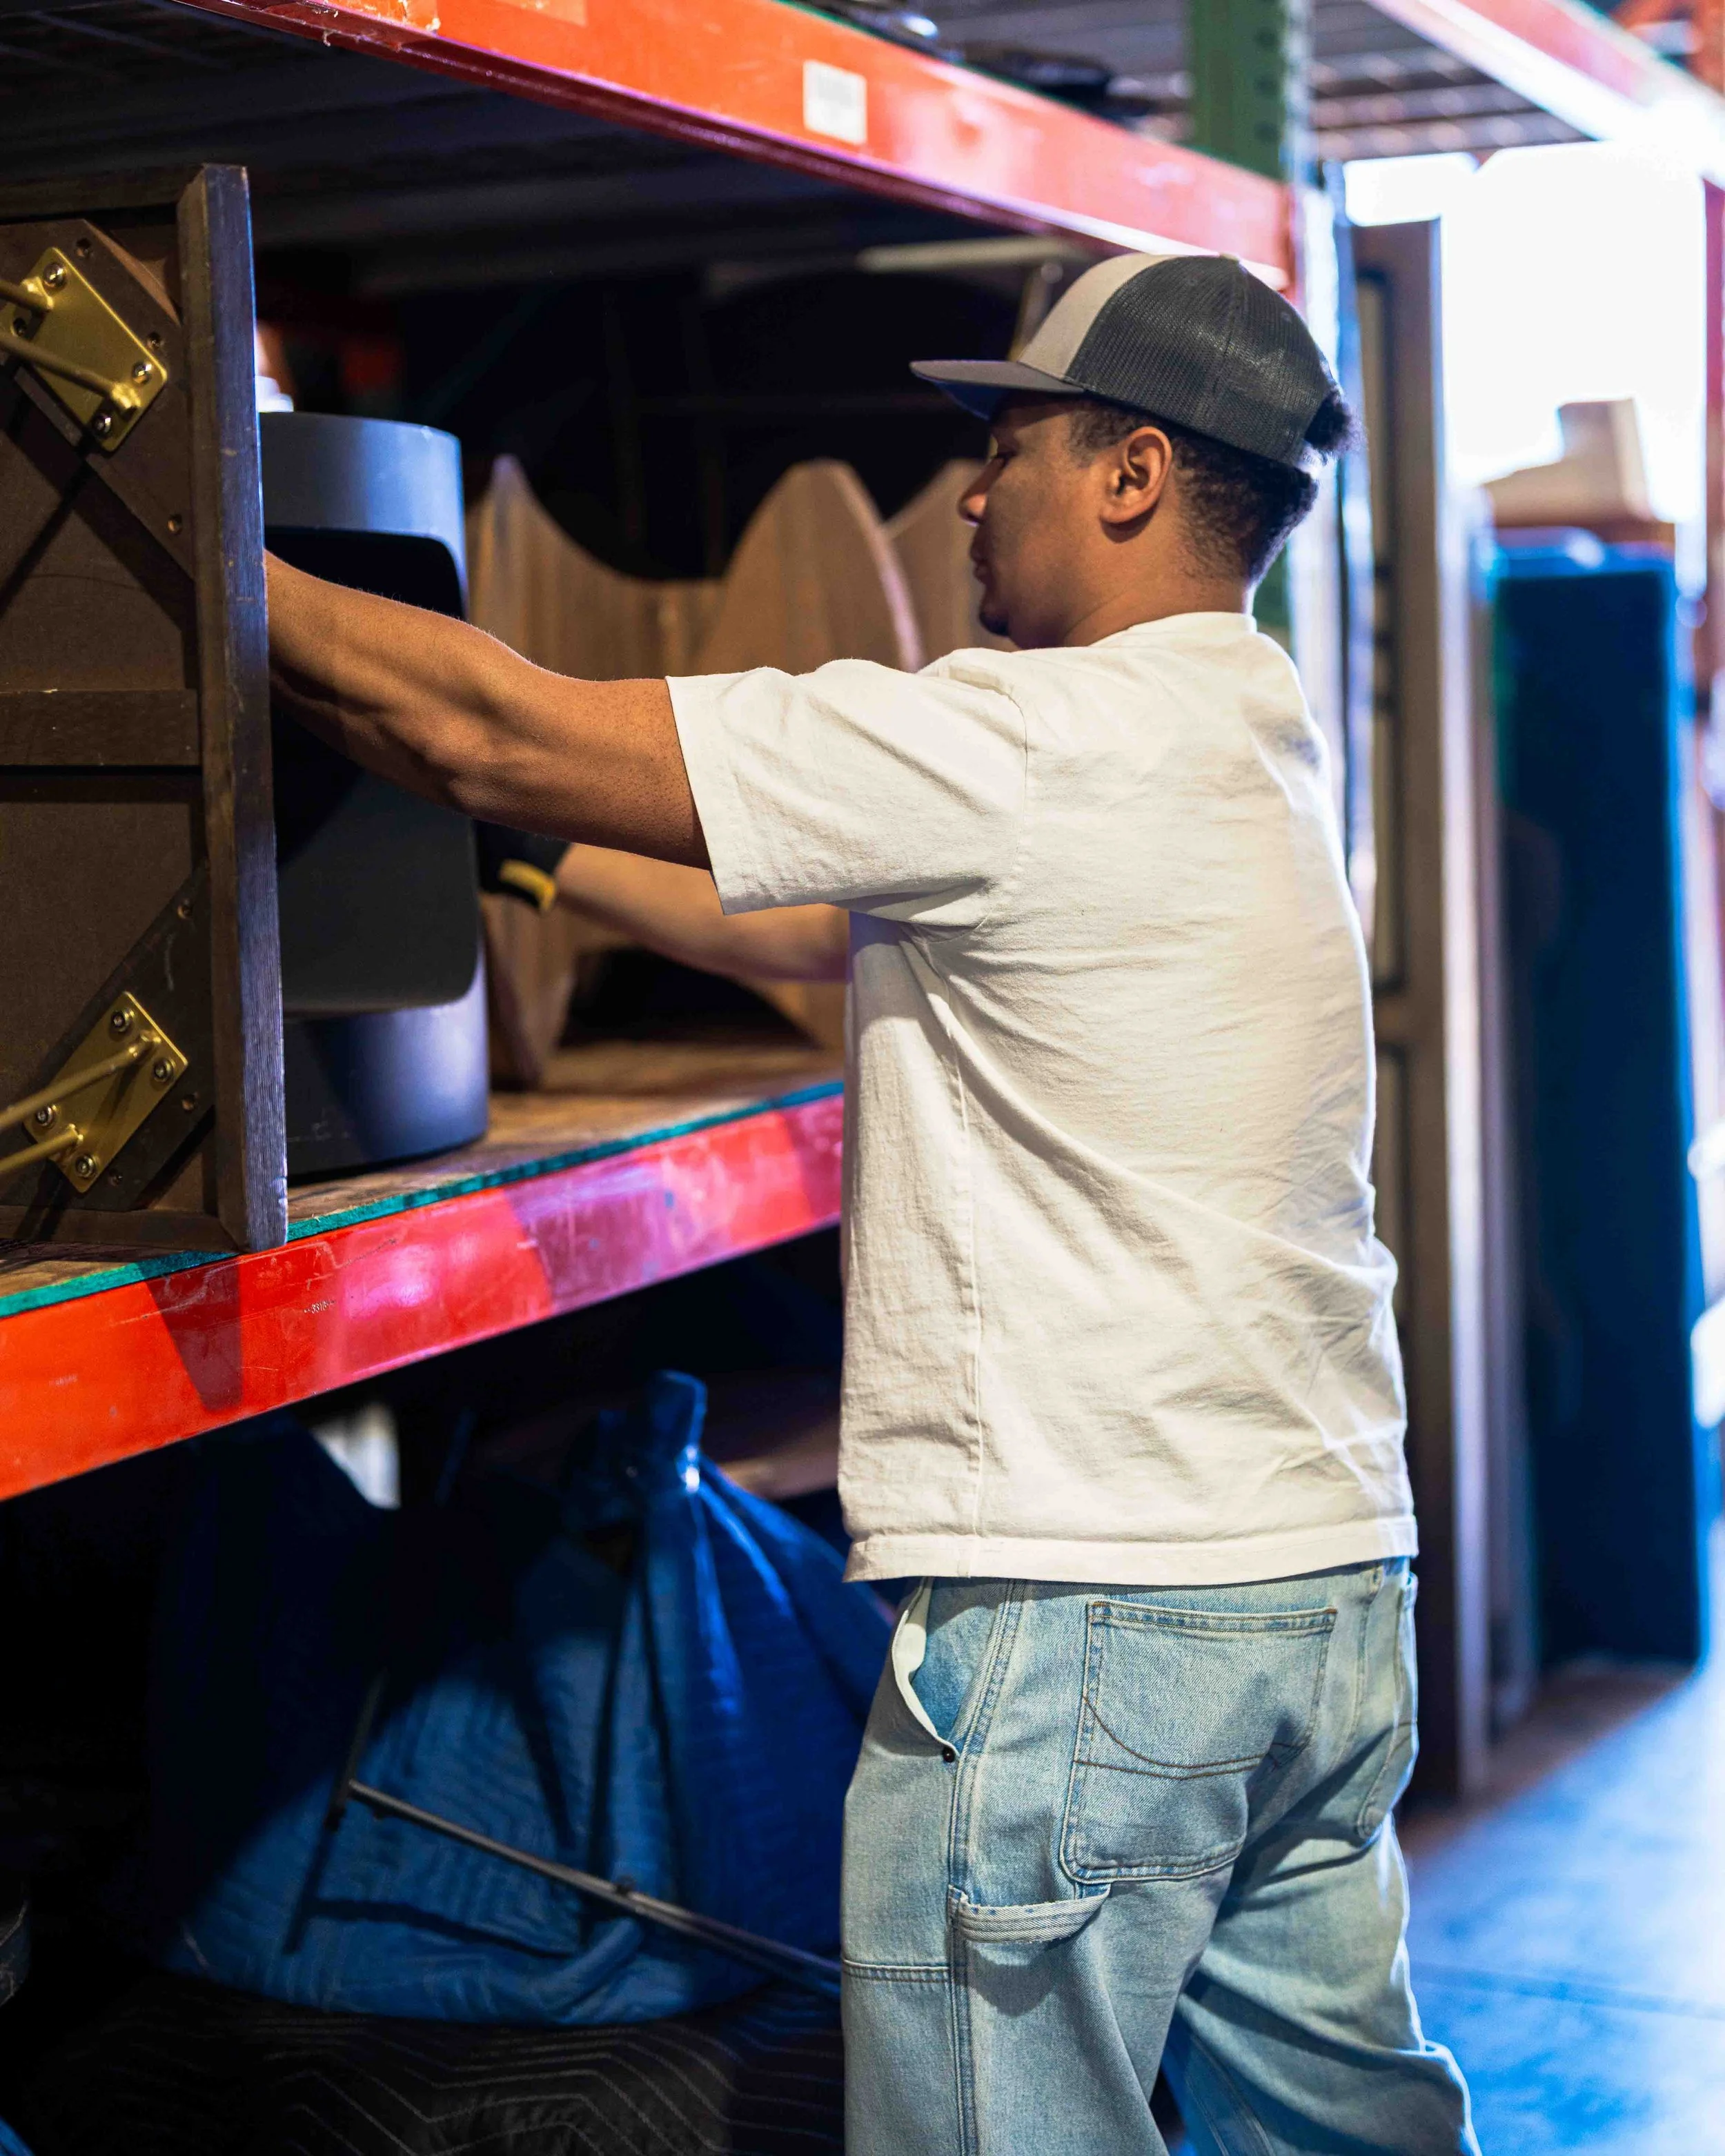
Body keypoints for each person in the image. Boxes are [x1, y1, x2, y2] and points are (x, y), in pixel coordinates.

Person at [267, 252, 1479, 2156]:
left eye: (1008, 442)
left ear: (1134, 471)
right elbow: (841, 915)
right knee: (1341, 2131)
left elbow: (483, 724)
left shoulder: (1021, 738)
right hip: (1316, 1595)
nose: (972, 489)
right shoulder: (1238, 738)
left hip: (1095, 1618)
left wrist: (184, 534)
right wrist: (532, 862)